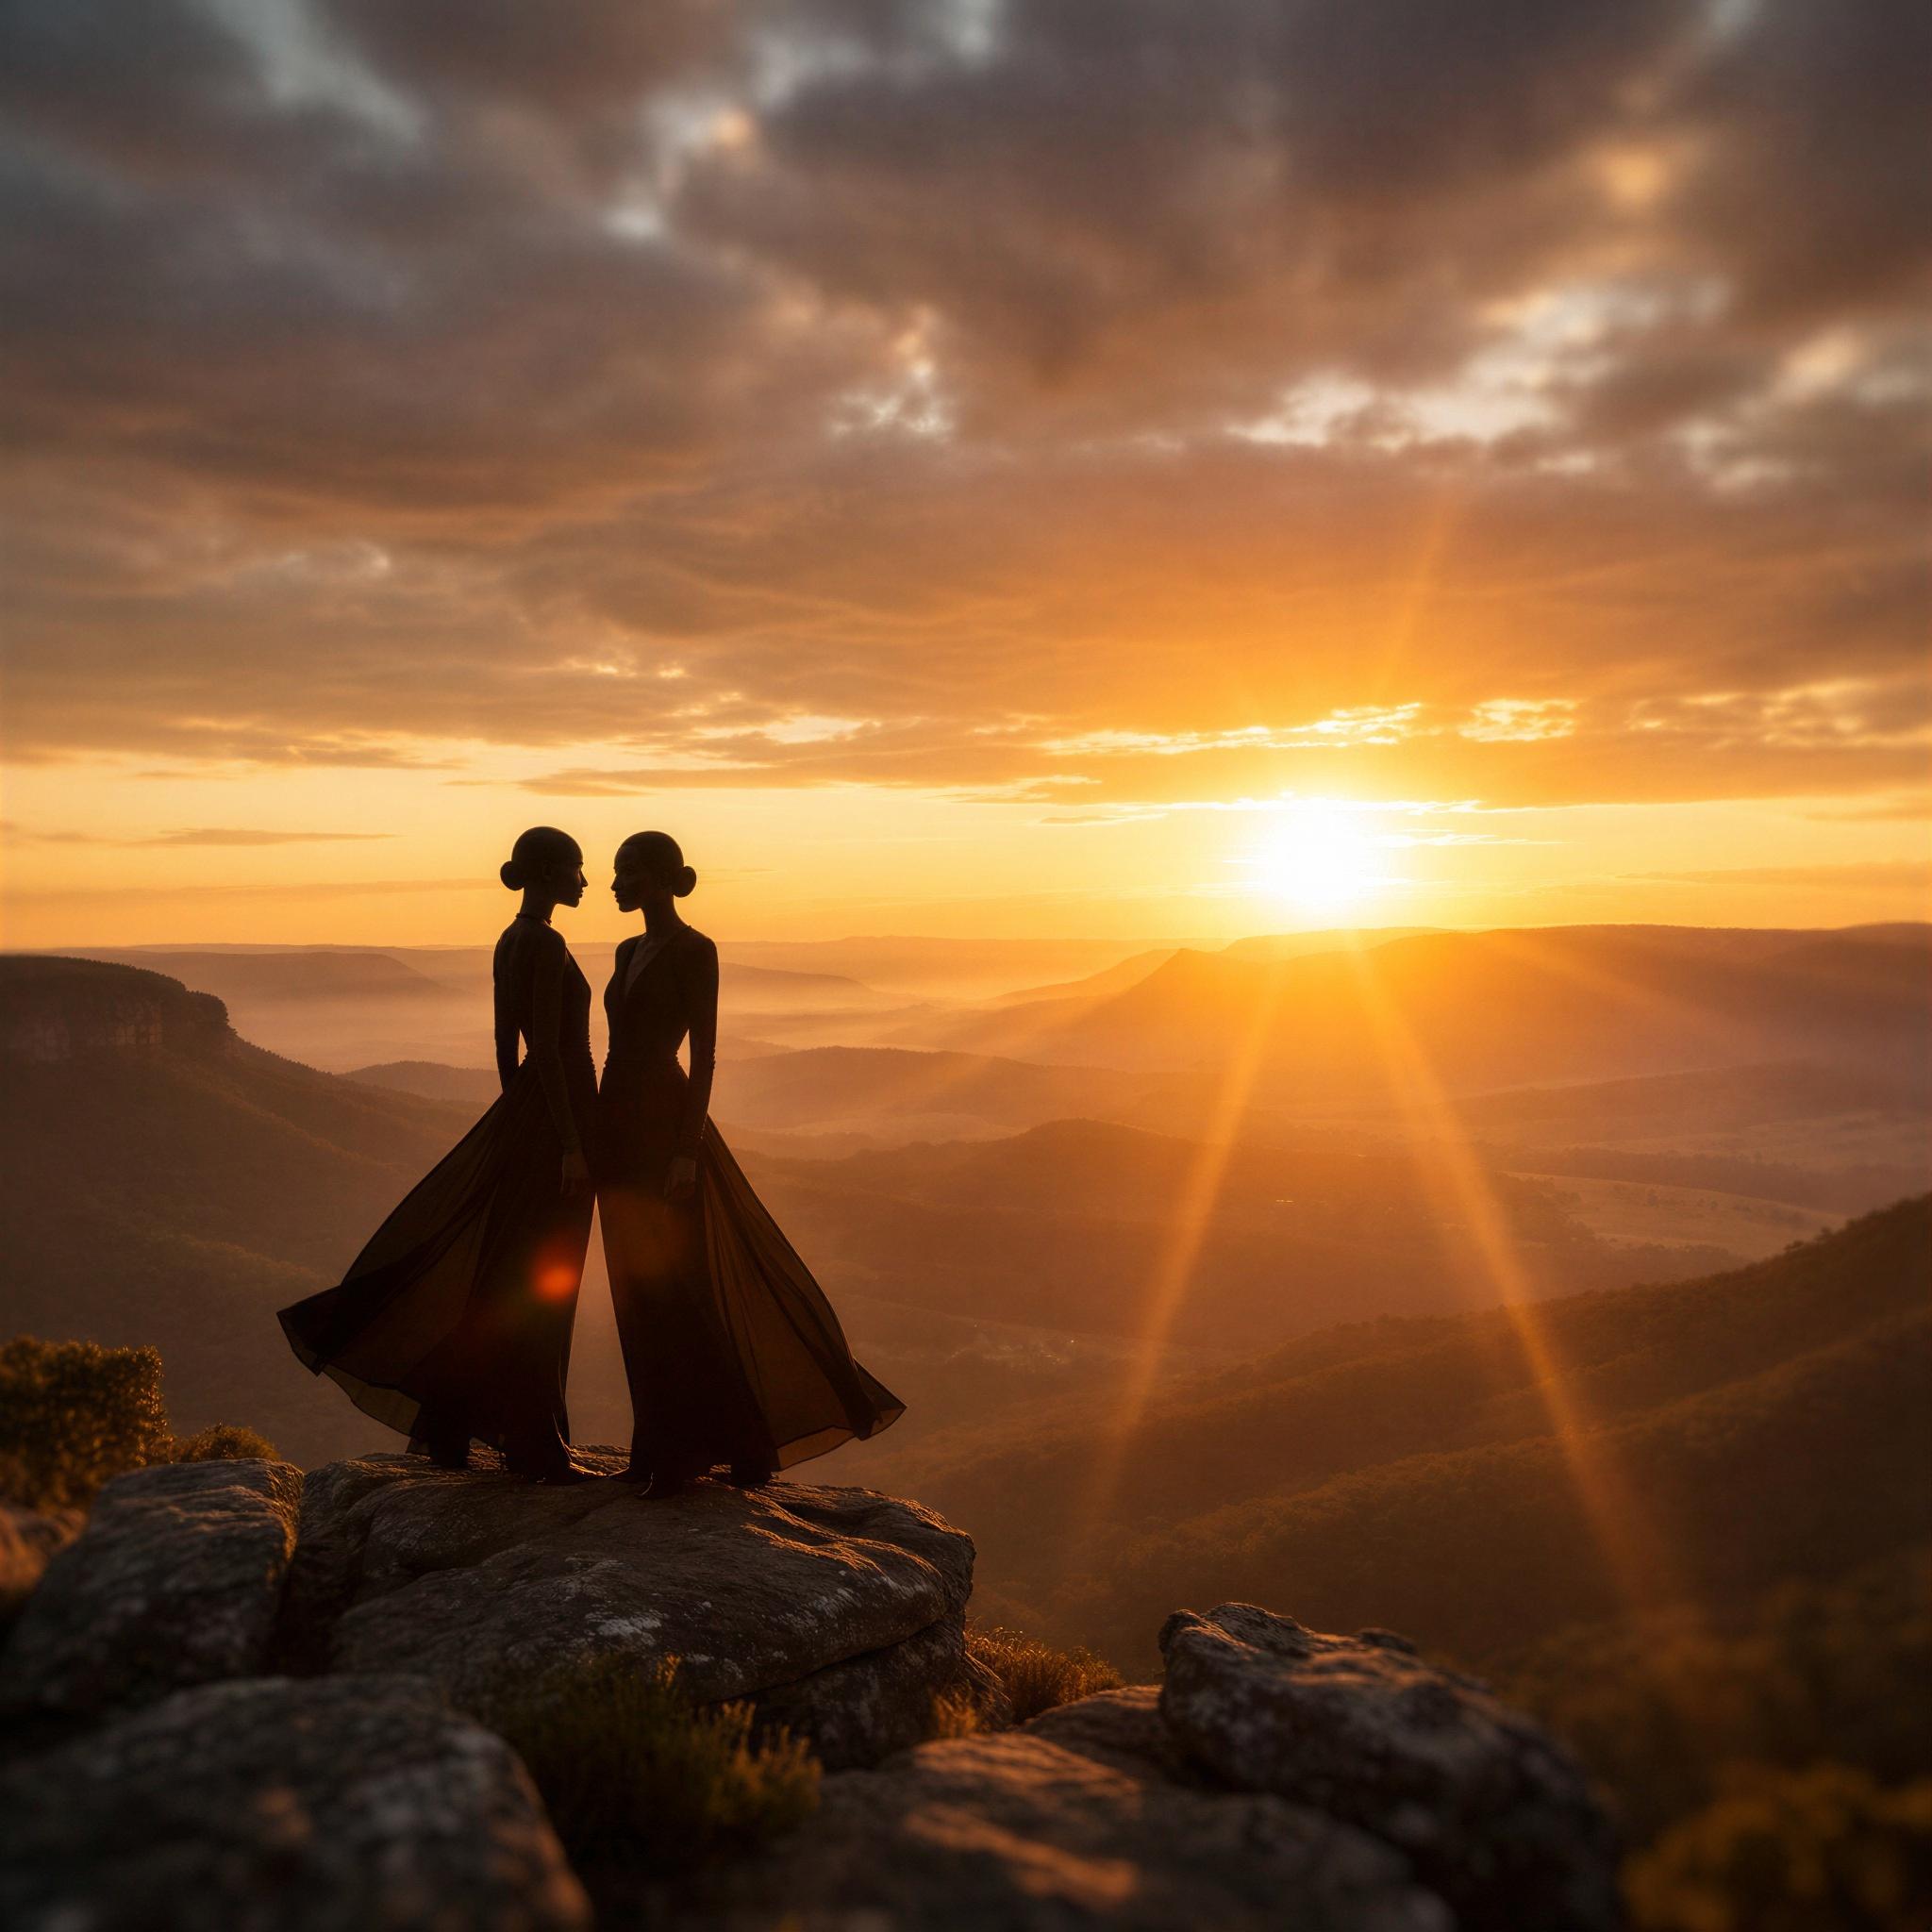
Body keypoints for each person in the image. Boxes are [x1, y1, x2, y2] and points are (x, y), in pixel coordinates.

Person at [277, 826, 596, 1483]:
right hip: (560, 1123)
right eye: (576, 869)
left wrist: (518, 1115)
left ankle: (461, 1429)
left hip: (531, 1115)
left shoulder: (510, 940)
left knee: (505, 1274)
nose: (584, 881)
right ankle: (536, 1444)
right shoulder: (547, 941)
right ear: (549, 875)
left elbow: (508, 1047)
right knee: (545, 1275)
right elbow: (553, 1053)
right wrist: (567, 1142)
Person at [597, 829, 904, 1496]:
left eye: (626, 873)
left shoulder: (695, 950)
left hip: (663, 1130)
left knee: (676, 1290)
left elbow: (703, 1054)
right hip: (617, 1129)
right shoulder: (626, 950)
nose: (614, 884)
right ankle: (655, 1447)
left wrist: (687, 1148)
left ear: (657, 879)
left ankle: (688, 1453)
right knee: (633, 1289)